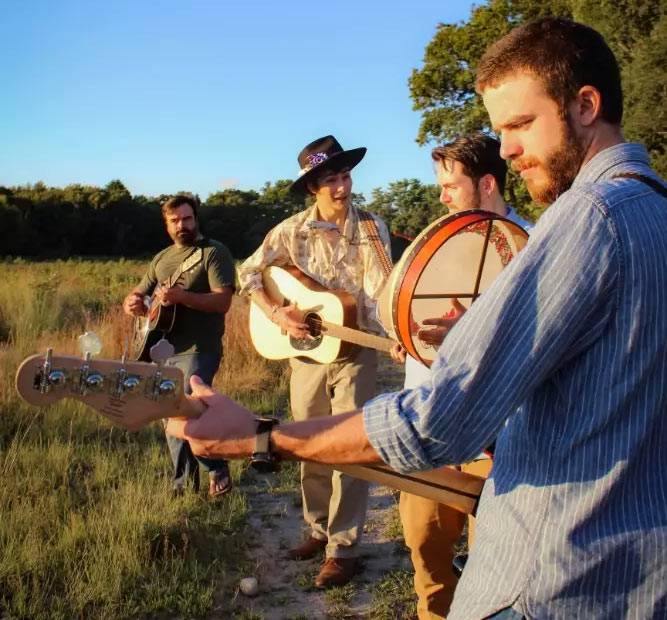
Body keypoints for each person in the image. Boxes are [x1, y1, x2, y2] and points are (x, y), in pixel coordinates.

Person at [168, 18, 667, 619]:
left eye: (519, 124)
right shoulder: (653, 207)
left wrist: (261, 436)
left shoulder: (583, 217)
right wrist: (479, 336)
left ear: (586, 105)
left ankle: (345, 544)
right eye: (500, 128)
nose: (505, 149)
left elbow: (439, 421)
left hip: (551, 584)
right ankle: (317, 529)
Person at [236, 135, 392, 589]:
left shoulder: (371, 228)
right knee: (309, 441)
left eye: (345, 177)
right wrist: (277, 311)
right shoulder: (289, 232)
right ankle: (317, 528)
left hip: (357, 348)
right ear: (312, 188)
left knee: (349, 446)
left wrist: (397, 331)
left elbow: (381, 290)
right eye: (331, 181)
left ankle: (343, 548)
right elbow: (248, 273)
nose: (342, 188)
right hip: (306, 354)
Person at [394, 133, 531, 620]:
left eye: (451, 185)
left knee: (492, 569)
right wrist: (410, 339)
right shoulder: (443, 244)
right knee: (426, 552)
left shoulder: (533, 249)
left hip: (501, 444)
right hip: (432, 431)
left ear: (487, 183)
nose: (442, 196)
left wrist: (470, 335)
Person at [123, 194, 235, 498]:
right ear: (167, 223)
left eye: (187, 219)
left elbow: (223, 301)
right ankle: (184, 487)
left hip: (200, 347)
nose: (181, 225)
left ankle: (215, 467)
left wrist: (182, 297)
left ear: (195, 218)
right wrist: (133, 303)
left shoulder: (214, 252)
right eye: (175, 220)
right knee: (169, 415)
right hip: (163, 349)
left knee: (183, 411)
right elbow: (139, 295)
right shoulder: (161, 259)